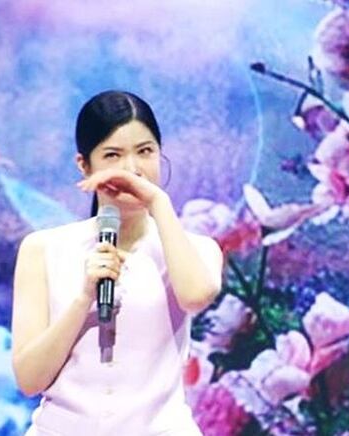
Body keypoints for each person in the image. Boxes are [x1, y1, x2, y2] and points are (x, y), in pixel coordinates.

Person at [11, 90, 223, 435]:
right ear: (84, 165)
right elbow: (29, 379)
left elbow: (196, 296)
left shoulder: (197, 249)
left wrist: (157, 202)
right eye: (113, 155)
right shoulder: (43, 249)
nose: (132, 170)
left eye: (145, 152)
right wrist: (83, 299)